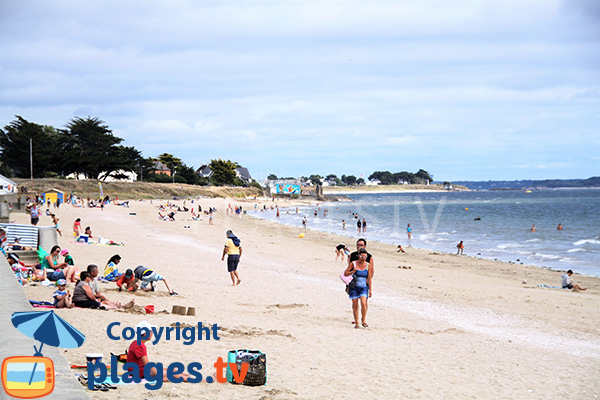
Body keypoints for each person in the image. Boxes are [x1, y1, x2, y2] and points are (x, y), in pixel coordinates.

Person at [127, 321, 192, 382]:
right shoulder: (139, 345)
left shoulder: (136, 343)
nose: (152, 333)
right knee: (172, 373)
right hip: (139, 373)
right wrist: (158, 376)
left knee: (172, 370)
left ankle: (188, 376)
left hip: (139, 370)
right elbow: (147, 364)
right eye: (151, 331)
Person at [343, 248, 373, 329]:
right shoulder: (353, 264)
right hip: (354, 287)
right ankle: (356, 322)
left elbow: (369, 278)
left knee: (364, 303)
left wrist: (370, 290)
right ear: (358, 256)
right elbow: (345, 273)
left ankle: (363, 320)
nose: (363, 258)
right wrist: (353, 271)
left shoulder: (368, 265)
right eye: (362, 256)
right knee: (355, 305)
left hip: (364, 287)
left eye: (365, 257)